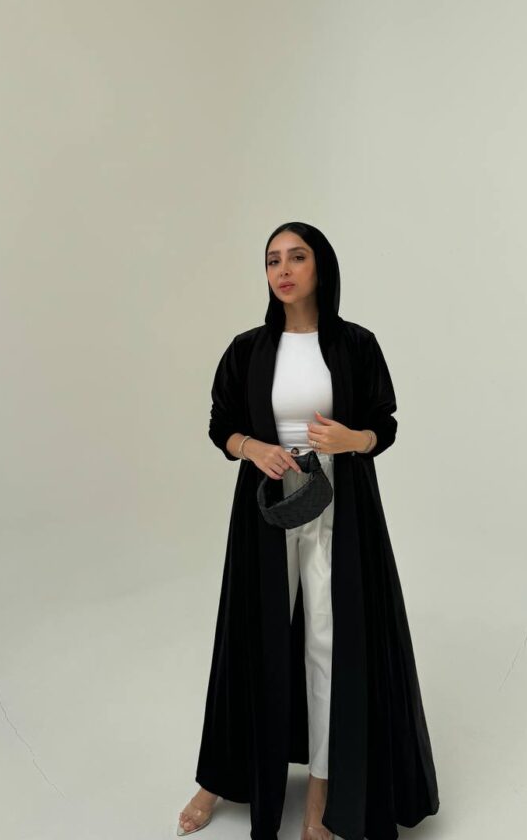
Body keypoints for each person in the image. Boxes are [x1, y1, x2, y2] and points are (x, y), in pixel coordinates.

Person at [177, 222, 440, 840]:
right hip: (268, 509)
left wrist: (353, 440)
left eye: (297, 257)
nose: (284, 270)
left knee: (328, 639)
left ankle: (322, 787)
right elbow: (220, 425)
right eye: (273, 260)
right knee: (254, 637)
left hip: (339, 506)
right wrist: (252, 448)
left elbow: (383, 424)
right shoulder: (247, 348)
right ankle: (221, 776)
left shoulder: (355, 344)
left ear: (321, 267)